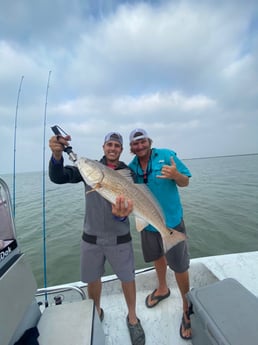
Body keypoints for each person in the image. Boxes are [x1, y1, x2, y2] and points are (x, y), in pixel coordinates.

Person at [48, 131, 145, 345]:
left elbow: (134, 206)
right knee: (93, 279)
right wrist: (56, 157)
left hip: (120, 238)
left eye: (117, 146)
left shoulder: (128, 173)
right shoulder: (89, 169)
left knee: (128, 278)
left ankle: (132, 316)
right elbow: (59, 177)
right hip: (91, 237)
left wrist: (122, 218)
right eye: (109, 144)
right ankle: (97, 311)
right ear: (103, 147)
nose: (112, 148)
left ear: (121, 150)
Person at [128, 128, 192, 340]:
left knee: (180, 265)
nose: (140, 146)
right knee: (157, 257)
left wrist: (176, 175)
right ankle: (163, 288)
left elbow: (186, 181)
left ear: (149, 141)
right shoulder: (131, 168)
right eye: (135, 143)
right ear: (131, 147)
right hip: (147, 224)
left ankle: (186, 306)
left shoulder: (166, 155)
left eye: (142, 141)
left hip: (171, 222)